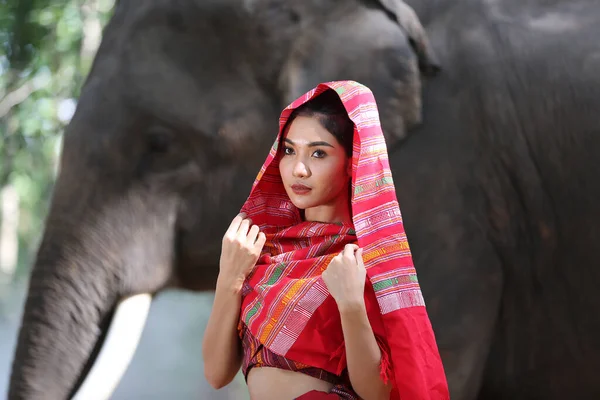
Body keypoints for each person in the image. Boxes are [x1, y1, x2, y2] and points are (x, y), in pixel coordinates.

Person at [202, 81, 449, 400]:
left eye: (318, 153)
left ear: (352, 161)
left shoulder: (362, 260)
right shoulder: (262, 251)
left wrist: (350, 303)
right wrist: (229, 279)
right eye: (289, 151)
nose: (298, 169)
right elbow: (216, 374)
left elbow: (378, 393)